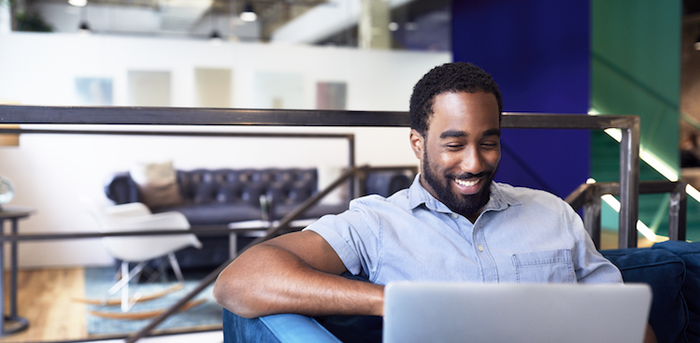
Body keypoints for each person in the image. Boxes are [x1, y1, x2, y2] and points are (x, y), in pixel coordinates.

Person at [213, 62, 656, 342]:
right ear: (416, 143)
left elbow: (628, 323)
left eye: (489, 142)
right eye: (454, 144)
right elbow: (239, 283)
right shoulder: (375, 223)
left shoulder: (553, 212)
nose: (475, 162)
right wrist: (391, 300)